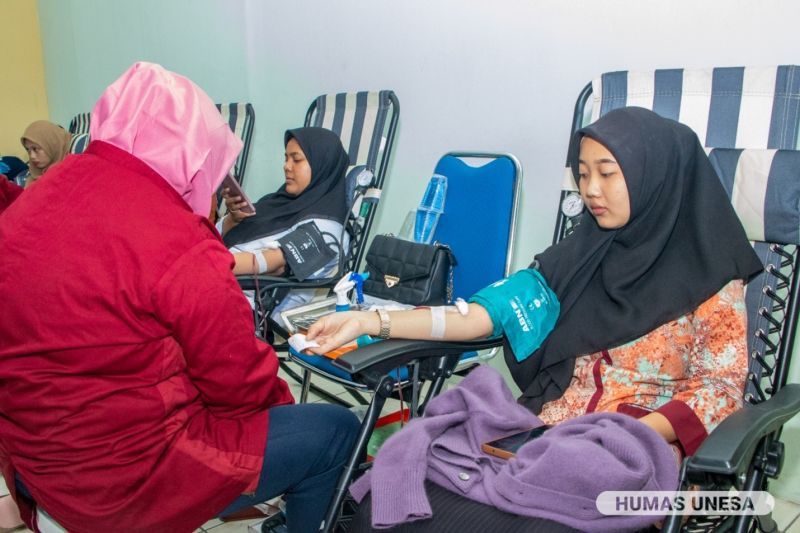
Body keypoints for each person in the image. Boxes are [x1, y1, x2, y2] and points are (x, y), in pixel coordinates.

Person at [305, 106, 762, 528]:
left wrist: (618, 434)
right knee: (391, 501)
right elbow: (480, 315)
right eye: (582, 175)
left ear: (656, 177)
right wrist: (372, 322)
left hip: (631, 457)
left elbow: (720, 389)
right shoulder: (578, 255)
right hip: (540, 438)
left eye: (607, 173)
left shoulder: (712, 280)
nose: (590, 190)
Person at [0, 62, 359, 533]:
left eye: (298, 158)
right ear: (192, 155)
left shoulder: (35, 202)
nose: (286, 166)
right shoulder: (173, 236)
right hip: (115, 482)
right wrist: (279, 414)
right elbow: (239, 385)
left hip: (31, 458)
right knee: (334, 432)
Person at [19, 120, 72, 188]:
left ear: (52, 145)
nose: (32, 156)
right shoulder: (30, 179)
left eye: (35, 149)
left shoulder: (71, 172)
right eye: (28, 150)